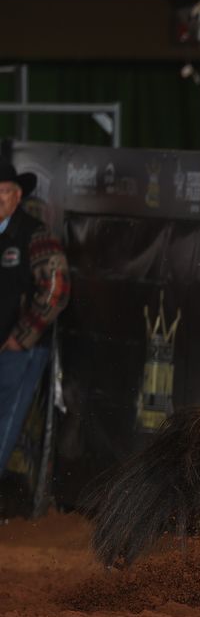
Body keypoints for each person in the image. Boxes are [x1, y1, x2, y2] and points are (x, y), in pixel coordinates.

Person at [0, 159, 69, 471]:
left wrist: (22, 337)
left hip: (18, 350)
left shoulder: (34, 235)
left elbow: (57, 287)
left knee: (6, 421)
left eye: (4, 191)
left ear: (17, 196)